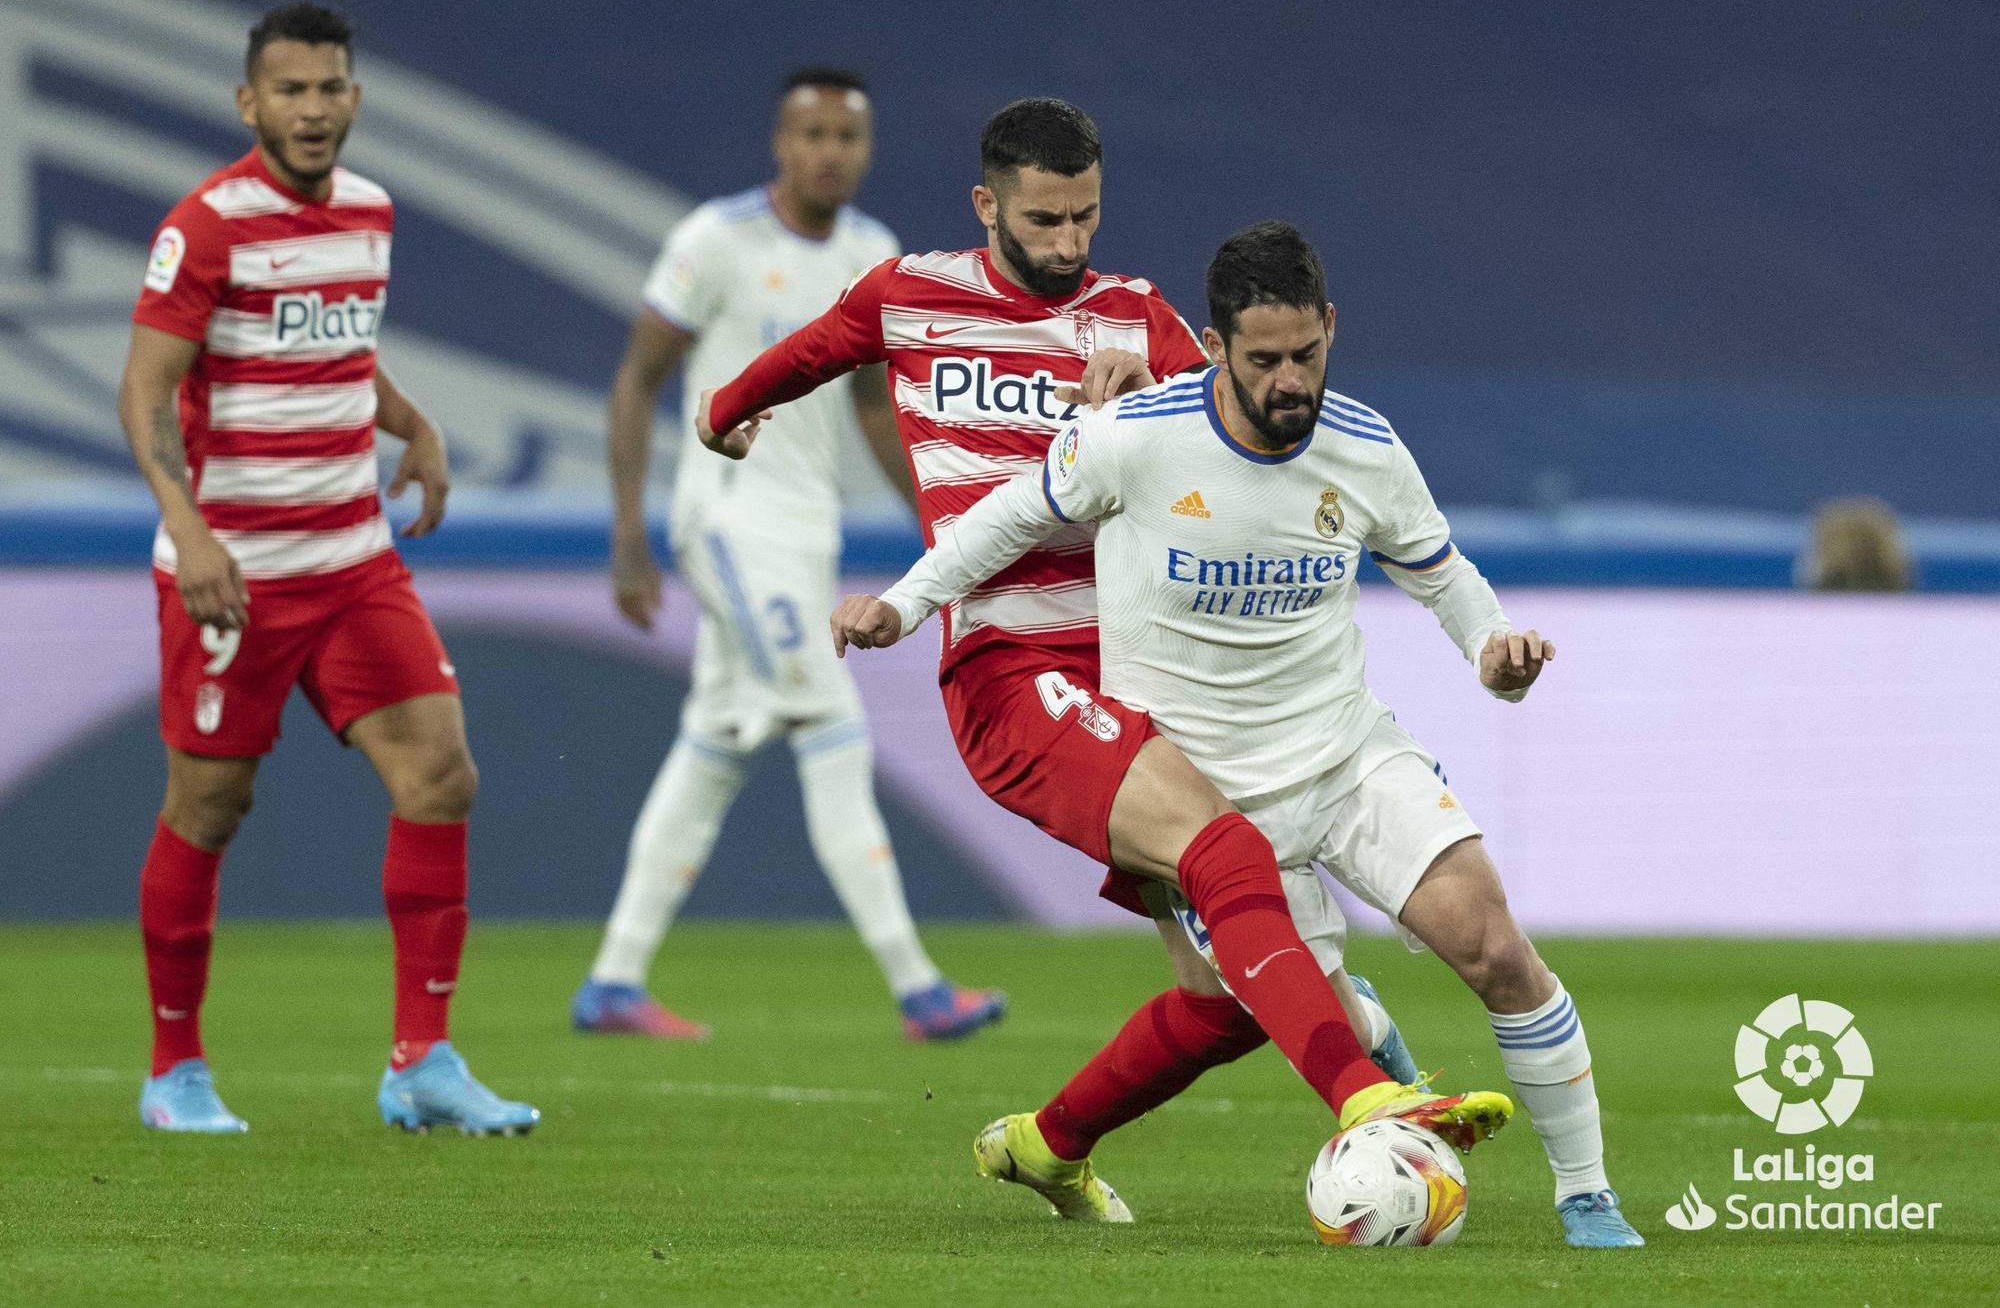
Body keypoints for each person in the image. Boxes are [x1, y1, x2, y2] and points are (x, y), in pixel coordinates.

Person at [698, 100, 1509, 1216]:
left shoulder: (1133, 319)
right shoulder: (910, 296)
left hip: (1141, 670)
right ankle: (1369, 1094)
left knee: (1226, 995)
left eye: (1086, 214)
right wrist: (726, 410)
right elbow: (808, 354)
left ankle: (1045, 1145)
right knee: (1230, 855)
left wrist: (1167, 420)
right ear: (988, 205)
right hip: (1011, 667)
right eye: (1044, 216)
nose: (1070, 241)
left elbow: (1239, 420)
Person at [831, 221, 1645, 1249]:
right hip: (1205, 792)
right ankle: (1347, 1060)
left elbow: (1438, 570)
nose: (1288, 380)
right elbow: (1002, 519)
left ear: (1330, 329)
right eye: (1262, 360)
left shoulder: (1364, 444)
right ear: (1211, 346)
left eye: (1306, 353)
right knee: (1266, 1010)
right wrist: (901, 609)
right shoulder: (1133, 437)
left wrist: (1489, 650)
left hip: (1345, 755)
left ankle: (1585, 1196)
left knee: (1490, 942)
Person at [117, 2, 535, 1135]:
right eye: (289, 90)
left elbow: (336, 347)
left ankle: (423, 1060)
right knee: (209, 806)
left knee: (442, 775)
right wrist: (191, 532)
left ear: (354, 98)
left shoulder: (368, 212)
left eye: (330, 87)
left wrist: (414, 423)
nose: (313, 109)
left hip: (353, 558)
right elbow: (145, 388)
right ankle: (175, 1070)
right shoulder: (205, 227)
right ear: (249, 103)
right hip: (233, 572)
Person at [572, 68, 1004, 1042]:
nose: (828, 152)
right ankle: (916, 984)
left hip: (803, 531)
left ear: (865, 148)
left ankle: (612, 979)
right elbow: (638, 380)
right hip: (725, 519)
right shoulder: (713, 241)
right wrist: (629, 534)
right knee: (830, 722)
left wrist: (940, 526)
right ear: (780, 141)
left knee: (716, 743)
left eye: (846, 136)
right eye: (810, 133)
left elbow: (870, 409)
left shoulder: (871, 255)